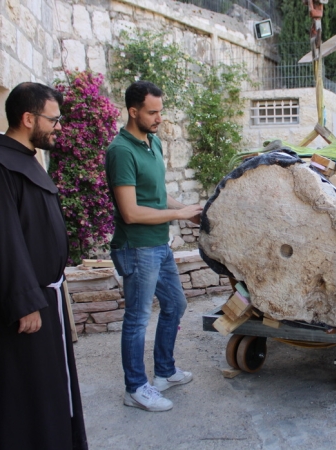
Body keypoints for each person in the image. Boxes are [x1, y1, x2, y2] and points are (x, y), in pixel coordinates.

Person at [0, 82, 88, 449]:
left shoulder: (22, 159)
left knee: (45, 392)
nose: (59, 127)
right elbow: (0, 241)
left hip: (42, 299)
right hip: (24, 308)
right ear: (28, 117)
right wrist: (24, 302)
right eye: (54, 119)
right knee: (22, 398)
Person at [106, 81, 203, 412]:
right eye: (152, 112)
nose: (159, 117)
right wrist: (177, 213)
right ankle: (134, 388)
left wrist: (188, 212)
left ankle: (164, 371)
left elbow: (158, 192)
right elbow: (131, 212)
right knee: (136, 319)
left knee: (176, 305)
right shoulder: (121, 151)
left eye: (161, 111)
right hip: (136, 247)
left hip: (159, 244)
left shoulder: (153, 142)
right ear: (133, 112)